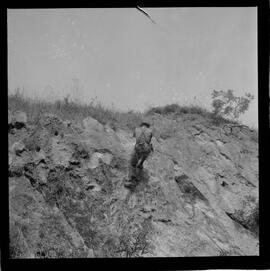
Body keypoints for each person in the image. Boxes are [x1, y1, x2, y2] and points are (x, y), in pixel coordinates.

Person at [125, 120, 154, 188]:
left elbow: (135, 138)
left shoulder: (136, 129)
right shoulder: (150, 131)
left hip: (138, 148)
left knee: (132, 164)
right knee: (140, 164)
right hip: (146, 149)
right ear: (148, 125)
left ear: (141, 125)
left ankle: (131, 180)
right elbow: (149, 140)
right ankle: (137, 178)